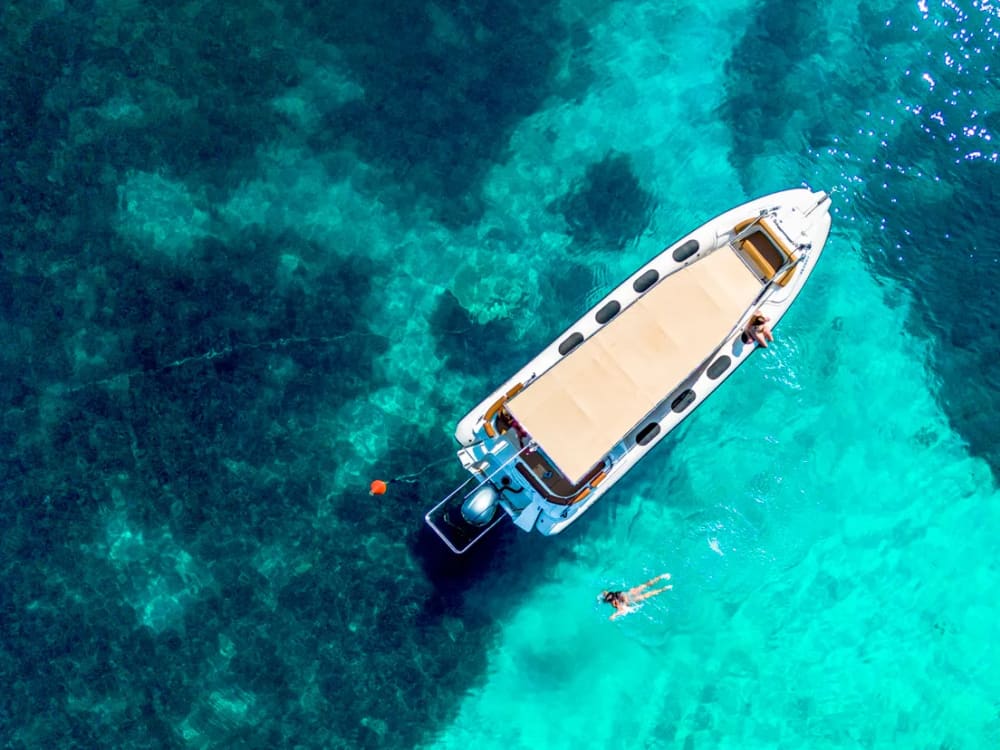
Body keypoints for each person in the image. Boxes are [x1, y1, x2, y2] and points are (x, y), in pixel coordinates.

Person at [600, 573, 672, 620]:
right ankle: (662, 580)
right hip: (631, 593)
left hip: (633, 598)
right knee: (645, 586)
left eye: (611, 602)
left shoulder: (618, 602)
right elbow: (606, 592)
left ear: (614, 600)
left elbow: (620, 610)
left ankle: (663, 585)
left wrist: (614, 615)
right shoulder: (614, 595)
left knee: (647, 591)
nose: (611, 603)